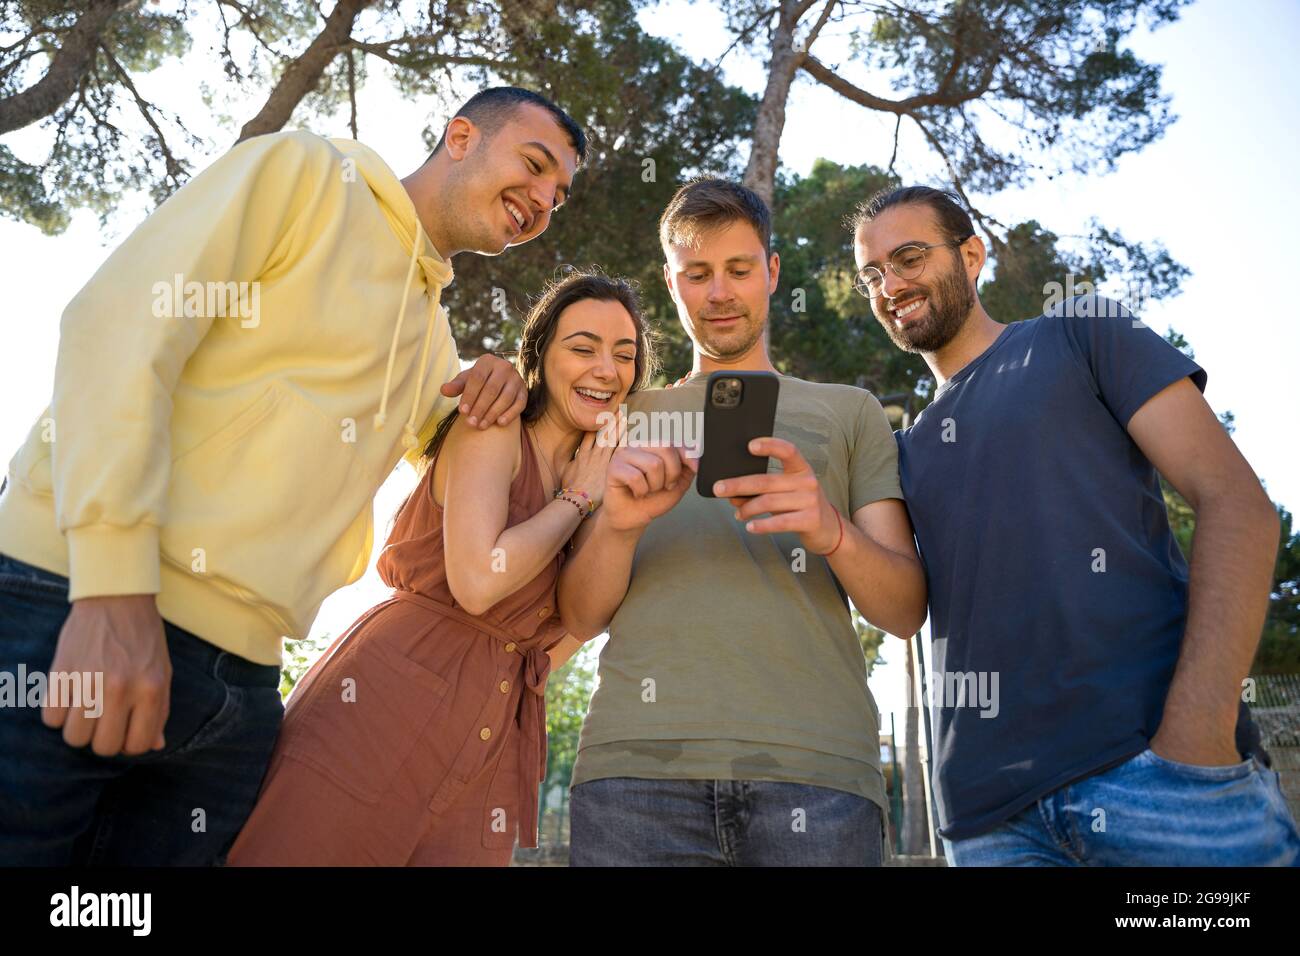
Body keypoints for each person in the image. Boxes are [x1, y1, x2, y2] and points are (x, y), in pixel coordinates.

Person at [0, 86, 585, 865]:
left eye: (560, 195)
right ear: (460, 136)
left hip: (240, 691)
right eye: (535, 164)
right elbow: (118, 328)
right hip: (75, 604)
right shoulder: (306, 174)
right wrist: (113, 589)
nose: (543, 200)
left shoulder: (434, 342)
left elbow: (473, 483)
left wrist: (510, 391)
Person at [851, 184, 1300, 866]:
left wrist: (1199, 729)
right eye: (872, 275)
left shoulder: (1084, 330)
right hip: (988, 822)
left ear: (971, 256)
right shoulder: (902, 450)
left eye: (909, 257)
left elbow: (1236, 504)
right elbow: (900, 608)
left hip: (1160, 779)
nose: (891, 284)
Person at [558, 178, 928, 867]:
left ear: (772, 272)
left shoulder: (852, 412)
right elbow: (578, 614)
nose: (720, 293)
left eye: (738, 269)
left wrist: (831, 531)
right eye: (698, 274)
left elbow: (904, 610)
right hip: (634, 775)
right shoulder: (621, 418)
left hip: (818, 776)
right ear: (671, 282)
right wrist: (618, 527)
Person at [227, 270, 653, 865]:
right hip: (390, 694)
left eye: (624, 355)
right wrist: (574, 501)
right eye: (582, 348)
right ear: (539, 356)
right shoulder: (495, 430)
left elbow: (578, 626)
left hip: (497, 727)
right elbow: (478, 582)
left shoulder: (604, 480)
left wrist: (602, 507)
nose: (606, 369)